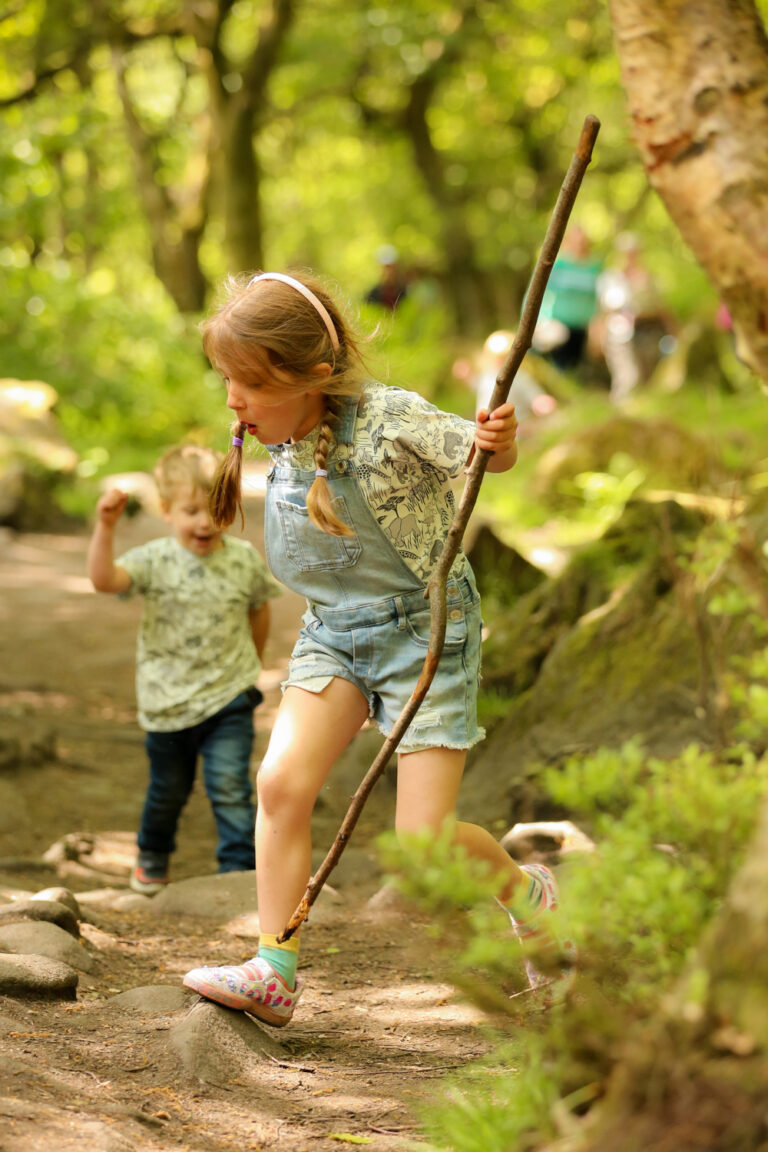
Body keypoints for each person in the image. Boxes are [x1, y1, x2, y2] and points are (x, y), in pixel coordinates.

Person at [182, 271, 575, 1027]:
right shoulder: (276, 430)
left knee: (425, 846)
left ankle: (530, 897)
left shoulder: (390, 419)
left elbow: (485, 457)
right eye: (226, 380)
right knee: (281, 786)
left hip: (424, 631)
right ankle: (275, 966)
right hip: (333, 631)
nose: (232, 400)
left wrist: (499, 439)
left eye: (250, 383)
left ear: (314, 376)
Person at [87, 443, 281, 894]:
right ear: (167, 510)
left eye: (216, 509)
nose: (205, 522)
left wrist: (251, 661)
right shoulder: (154, 560)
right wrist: (106, 525)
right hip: (167, 700)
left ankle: (237, 872)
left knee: (231, 788)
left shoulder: (243, 559)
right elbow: (103, 581)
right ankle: (152, 857)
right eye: (192, 510)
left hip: (229, 696)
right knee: (167, 791)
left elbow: (259, 608)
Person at [534, 225, 601, 374]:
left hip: (582, 326)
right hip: (559, 325)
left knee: (575, 367)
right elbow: (537, 292)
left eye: (582, 241)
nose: (579, 244)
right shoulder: (557, 264)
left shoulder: (594, 266)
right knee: (559, 367)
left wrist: (597, 323)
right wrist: (537, 320)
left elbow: (596, 297)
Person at [364, 244, 409, 311]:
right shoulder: (372, 296)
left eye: (391, 267)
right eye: (385, 268)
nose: (389, 272)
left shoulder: (406, 293)